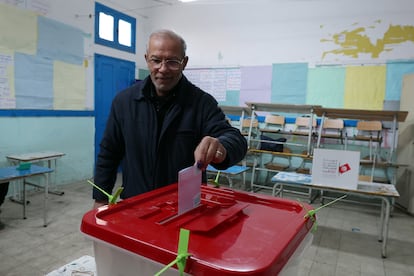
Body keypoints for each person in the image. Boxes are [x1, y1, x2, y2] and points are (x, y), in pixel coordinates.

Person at [92, 29, 248, 208]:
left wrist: (222, 148)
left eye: (172, 62)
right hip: (135, 206)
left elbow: (236, 139)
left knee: (184, 237)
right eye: (156, 60)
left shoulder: (201, 103)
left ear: (184, 62)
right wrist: (100, 197)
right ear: (147, 59)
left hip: (185, 209)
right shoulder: (124, 102)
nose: (163, 69)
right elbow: (109, 152)